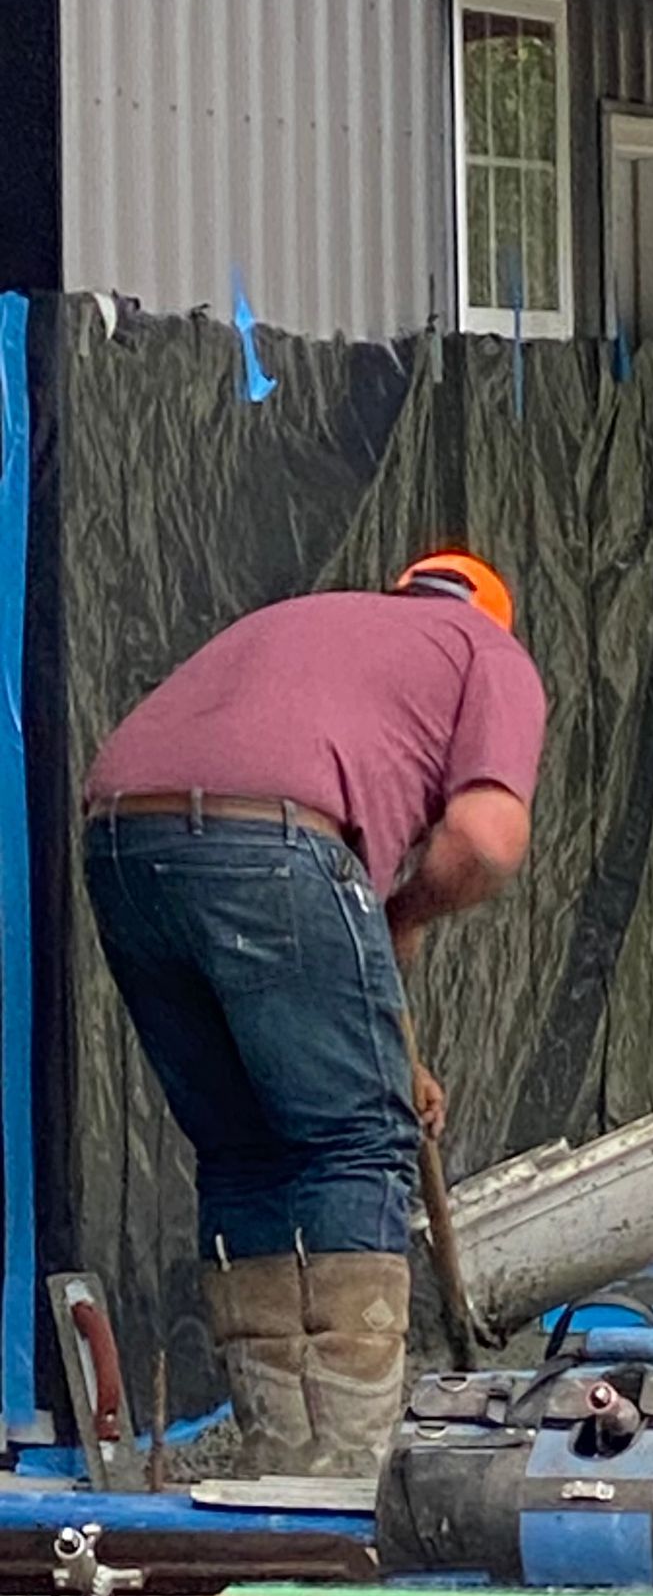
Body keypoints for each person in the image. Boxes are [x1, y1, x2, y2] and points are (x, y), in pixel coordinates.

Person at [82, 549, 547, 1478]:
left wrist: (391, 1061)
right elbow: (485, 839)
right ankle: (348, 1472)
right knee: (357, 1143)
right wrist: (405, 914)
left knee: (246, 1146)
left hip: (124, 843)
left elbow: (303, 1004)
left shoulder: (313, 625)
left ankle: (278, 1461)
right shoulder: (484, 650)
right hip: (273, 837)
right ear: (490, 613)